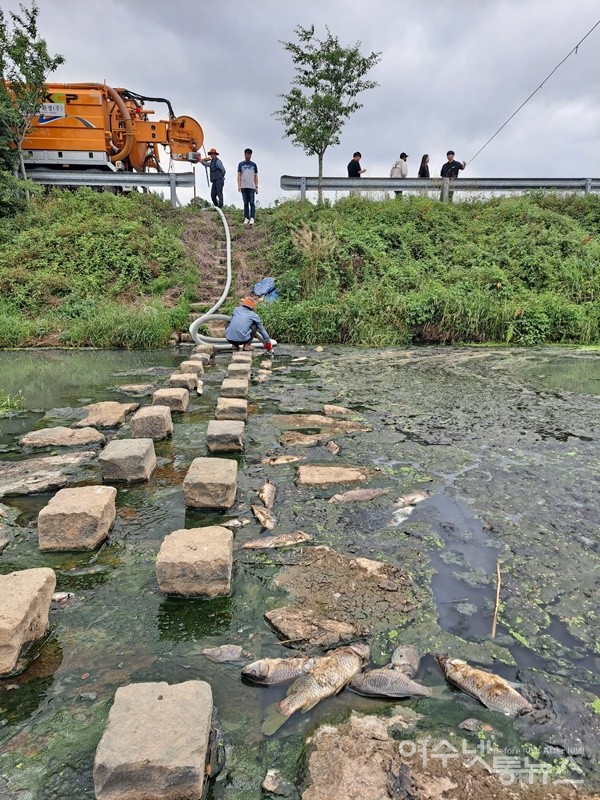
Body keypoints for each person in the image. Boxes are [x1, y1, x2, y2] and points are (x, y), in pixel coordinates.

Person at [237, 148, 259, 225]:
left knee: (252, 202)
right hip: (243, 186)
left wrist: (256, 187)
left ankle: (252, 217)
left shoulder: (254, 165)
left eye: (249, 154)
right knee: (245, 202)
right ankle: (246, 217)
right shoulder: (241, 164)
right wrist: (239, 185)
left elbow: (256, 176)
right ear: (244, 154)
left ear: (251, 155)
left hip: (252, 186)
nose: (248, 155)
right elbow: (239, 175)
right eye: (247, 154)